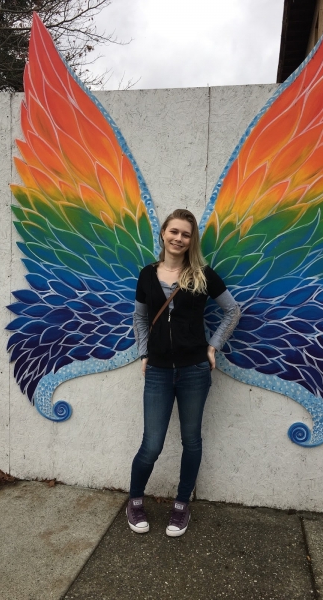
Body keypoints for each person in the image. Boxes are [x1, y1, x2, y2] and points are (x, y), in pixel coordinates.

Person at [127, 208, 241, 537]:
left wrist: (212, 346)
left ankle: (181, 505)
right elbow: (139, 317)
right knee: (152, 444)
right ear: (163, 233)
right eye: (174, 231)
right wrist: (144, 353)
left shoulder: (203, 274)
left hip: (194, 370)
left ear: (192, 240)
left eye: (186, 234)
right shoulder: (147, 275)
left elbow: (233, 310)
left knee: (191, 440)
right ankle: (134, 500)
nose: (179, 238)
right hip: (160, 371)